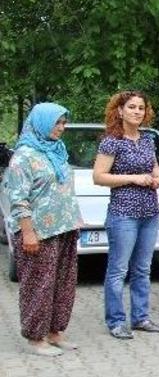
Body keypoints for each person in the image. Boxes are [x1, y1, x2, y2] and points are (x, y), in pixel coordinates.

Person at [2, 103, 82, 356]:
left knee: (63, 283)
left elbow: (63, 189)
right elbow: (17, 197)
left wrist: (75, 219)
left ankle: (55, 331)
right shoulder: (24, 156)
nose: (61, 128)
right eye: (57, 123)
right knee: (39, 285)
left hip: (64, 228)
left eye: (63, 123)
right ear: (41, 123)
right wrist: (27, 232)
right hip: (37, 231)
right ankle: (36, 337)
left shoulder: (57, 150)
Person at [93, 91, 159, 339]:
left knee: (143, 269)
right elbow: (99, 176)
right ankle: (115, 321)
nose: (137, 111)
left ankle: (141, 317)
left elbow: (155, 167)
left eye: (141, 108)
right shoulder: (112, 141)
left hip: (149, 211)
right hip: (123, 213)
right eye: (132, 107)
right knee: (118, 270)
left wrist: (158, 177)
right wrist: (133, 178)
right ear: (120, 111)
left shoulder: (147, 140)